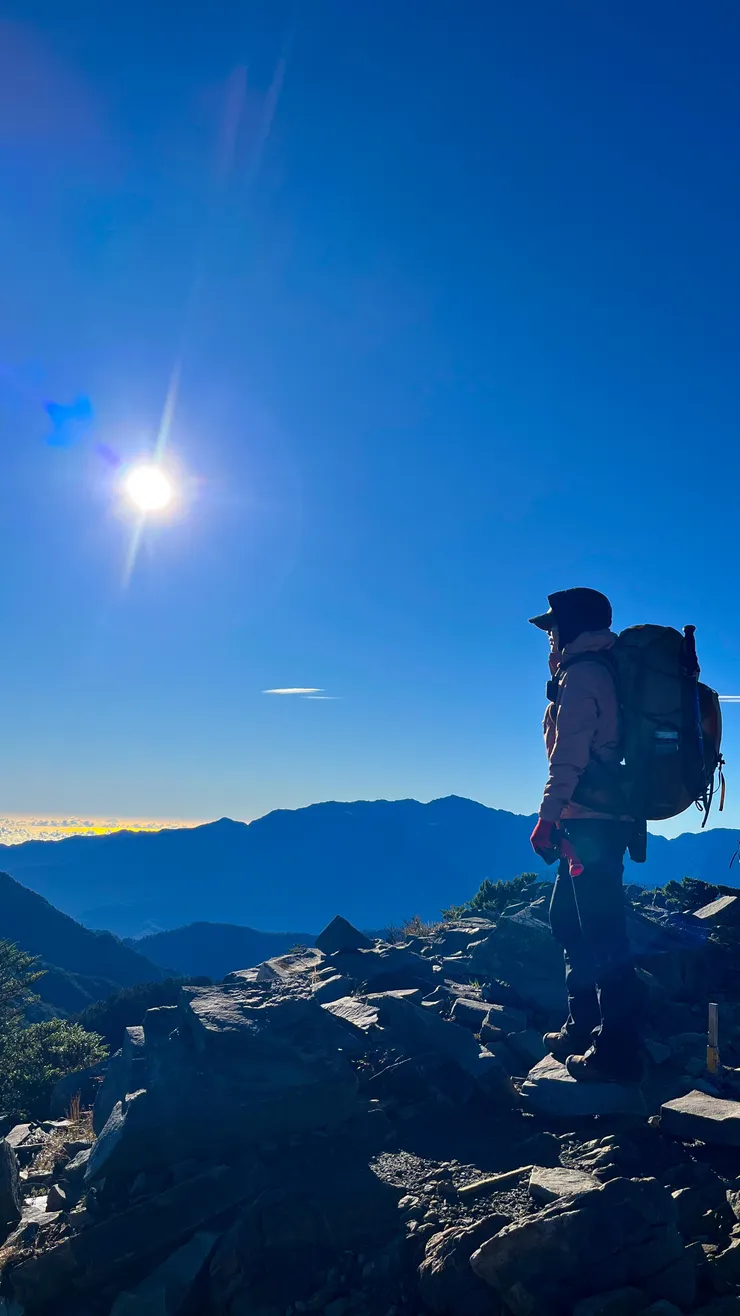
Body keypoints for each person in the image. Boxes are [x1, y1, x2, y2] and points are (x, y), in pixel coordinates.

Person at [529, 587, 644, 1084]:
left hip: (588, 820)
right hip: (600, 818)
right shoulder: (603, 670)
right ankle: (584, 1026)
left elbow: (569, 756)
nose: (549, 636)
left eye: (553, 627)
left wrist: (547, 817)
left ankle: (617, 1049)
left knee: (600, 934)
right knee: (569, 922)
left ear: (569, 627)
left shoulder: (583, 676)